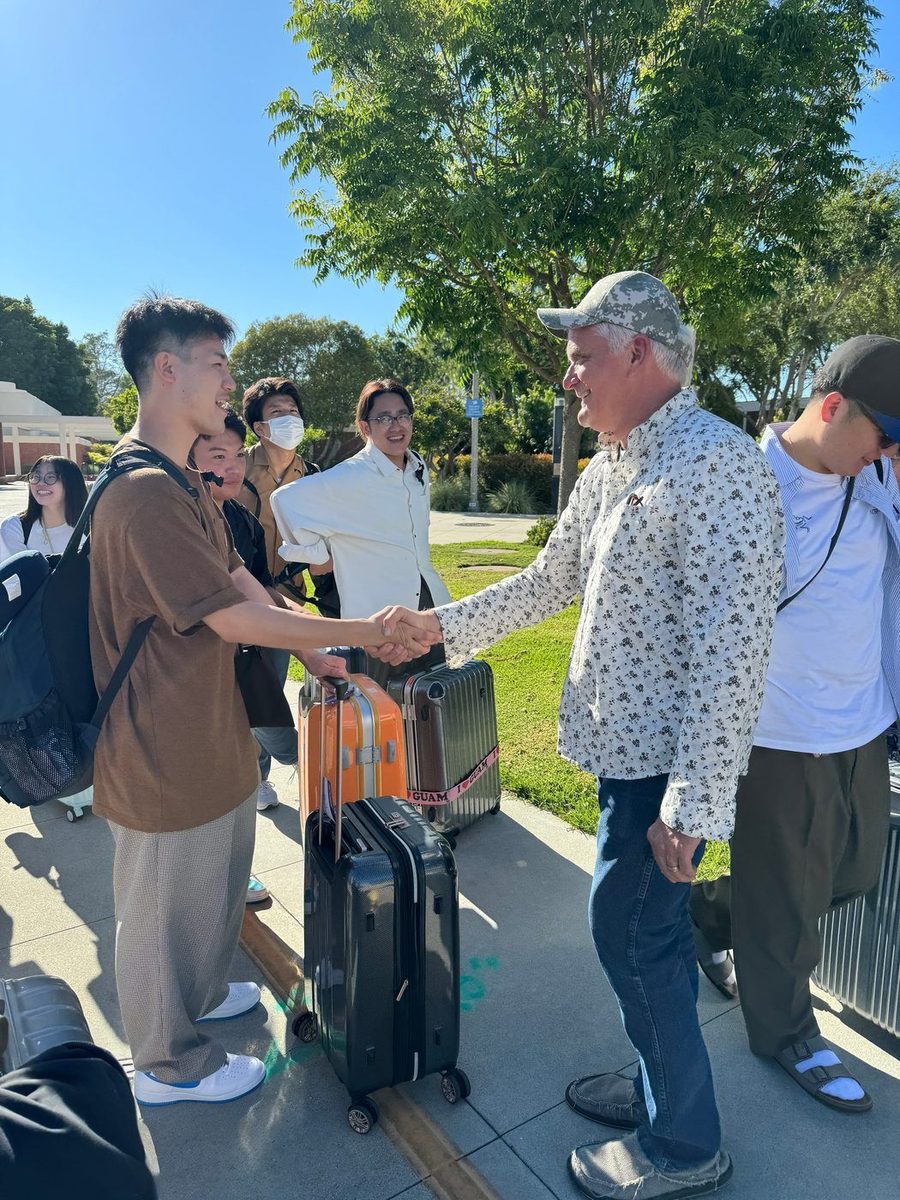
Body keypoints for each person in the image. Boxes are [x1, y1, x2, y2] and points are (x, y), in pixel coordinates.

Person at [380, 271, 784, 1200]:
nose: (568, 379)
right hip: (619, 754)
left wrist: (693, 805)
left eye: (581, 359)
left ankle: (683, 1143)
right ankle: (658, 1088)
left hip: (663, 772)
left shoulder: (717, 465)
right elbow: (549, 580)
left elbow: (733, 650)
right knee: (638, 934)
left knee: (632, 934)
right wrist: (438, 628)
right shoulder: (614, 463)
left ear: (639, 353)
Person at [90, 295, 429, 1109]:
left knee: (212, 883)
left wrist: (314, 649)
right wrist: (364, 627)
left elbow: (241, 577)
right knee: (161, 904)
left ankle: (200, 997)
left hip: (208, 727)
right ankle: (167, 1063)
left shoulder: (183, 481)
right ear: (165, 369)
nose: (227, 382)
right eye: (216, 364)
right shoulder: (143, 491)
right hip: (157, 742)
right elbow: (232, 616)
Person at [689, 335, 900, 1115]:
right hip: (781, 730)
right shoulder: (746, 483)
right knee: (789, 898)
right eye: (887, 434)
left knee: (855, 871)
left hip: (864, 719)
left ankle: (709, 913)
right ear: (833, 406)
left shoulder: (879, 477)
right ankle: (786, 1033)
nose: (890, 451)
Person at [191, 408, 329, 903]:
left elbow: (260, 588)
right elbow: (233, 606)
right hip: (197, 676)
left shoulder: (240, 521)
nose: (230, 467)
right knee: (219, 775)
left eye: (235, 455)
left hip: (244, 663)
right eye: (216, 456)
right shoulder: (180, 519)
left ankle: (231, 874)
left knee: (239, 774)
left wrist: (308, 631)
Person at [270, 378, 451, 622]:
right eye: (384, 418)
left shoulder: (416, 466)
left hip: (430, 600)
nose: (396, 425)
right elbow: (284, 500)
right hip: (378, 614)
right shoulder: (351, 475)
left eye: (402, 416)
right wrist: (320, 556)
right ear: (365, 427)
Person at [239, 376, 338, 806]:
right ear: (259, 427)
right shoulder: (237, 469)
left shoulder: (311, 477)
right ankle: (267, 772)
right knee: (257, 686)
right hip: (244, 596)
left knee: (273, 683)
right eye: (277, 413)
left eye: (293, 412)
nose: (289, 420)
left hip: (292, 598)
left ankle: (270, 770)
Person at [0, 455, 88, 563]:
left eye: (51, 477)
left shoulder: (91, 528)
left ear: (71, 483)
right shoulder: (14, 527)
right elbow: (19, 572)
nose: (40, 483)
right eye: (36, 476)